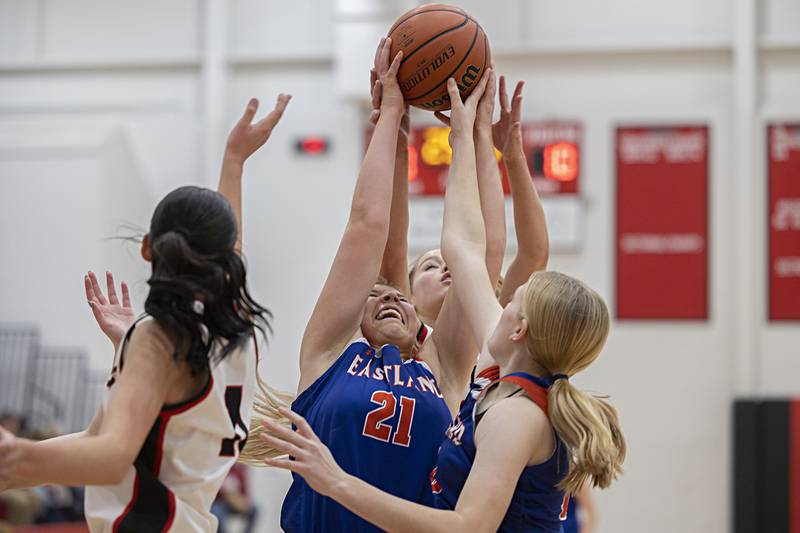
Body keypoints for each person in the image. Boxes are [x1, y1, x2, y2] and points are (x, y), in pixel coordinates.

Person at [258, 74, 626, 532]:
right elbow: (382, 232)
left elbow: (488, 252)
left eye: (510, 299)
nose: (389, 295)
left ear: (520, 327)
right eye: (377, 292)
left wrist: (465, 138)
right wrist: (433, 132)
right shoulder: (331, 352)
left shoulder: (460, 369)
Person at [0, 93, 290, 533]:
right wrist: (234, 161)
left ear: (146, 248)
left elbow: (112, 456)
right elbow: (101, 443)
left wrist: (18, 455)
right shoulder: (236, 327)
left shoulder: (161, 339)